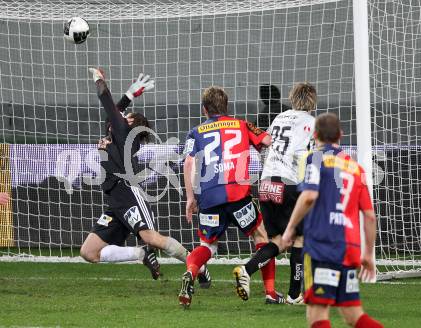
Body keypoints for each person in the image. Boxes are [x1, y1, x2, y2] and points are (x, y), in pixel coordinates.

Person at [80, 68, 210, 287]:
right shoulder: (118, 131)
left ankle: (198, 265)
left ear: (129, 122)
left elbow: (105, 99)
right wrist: (129, 95)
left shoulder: (122, 131)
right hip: (114, 201)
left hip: (127, 193)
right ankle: (140, 254)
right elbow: (114, 112)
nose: (120, 116)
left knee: (151, 237)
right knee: (89, 252)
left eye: (124, 116)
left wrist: (98, 78)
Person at [179, 86, 279, 308]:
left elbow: (188, 162)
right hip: (238, 195)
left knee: (207, 245)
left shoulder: (195, 132)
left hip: (209, 198)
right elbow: (268, 141)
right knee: (261, 236)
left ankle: (190, 273)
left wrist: (190, 198)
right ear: (227, 107)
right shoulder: (242, 124)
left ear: (204, 109)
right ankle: (270, 292)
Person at [282, 113, 383, 328]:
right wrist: (367, 254)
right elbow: (370, 217)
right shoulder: (356, 168)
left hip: (322, 246)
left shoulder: (315, 158)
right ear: (341, 135)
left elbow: (309, 196)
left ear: (315, 134)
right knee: (353, 315)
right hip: (349, 249)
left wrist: (290, 228)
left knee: (317, 313)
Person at [252, 82, 316, 305]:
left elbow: (265, 142)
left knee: (278, 240)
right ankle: (294, 294)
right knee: (299, 238)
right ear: (312, 100)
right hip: (289, 183)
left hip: (266, 182)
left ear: (291, 97)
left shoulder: (279, 117)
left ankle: (246, 268)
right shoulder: (312, 122)